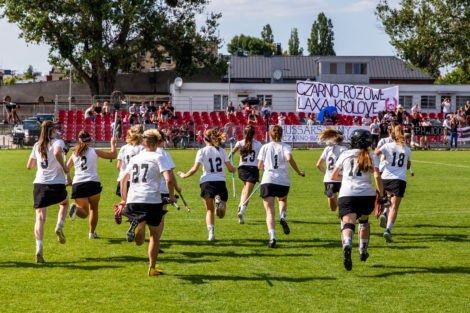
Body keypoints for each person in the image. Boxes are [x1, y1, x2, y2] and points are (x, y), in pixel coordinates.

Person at [119, 129, 176, 276]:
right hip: (152, 199)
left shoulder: (135, 158)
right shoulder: (159, 157)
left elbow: (124, 180)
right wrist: (172, 196)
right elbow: (169, 179)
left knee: (139, 240)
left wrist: (124, 200)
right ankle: (152, 267)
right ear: (157, 142)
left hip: (134, 199)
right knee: (154, 236)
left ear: (143, 142)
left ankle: (137, 225)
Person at [331, 129, 385, 271]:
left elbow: (334, 176)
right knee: (364, 221)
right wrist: (382, 194)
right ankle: (363, 250)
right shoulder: (371, 155)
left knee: (348, 224)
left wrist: (349, 179)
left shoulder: (345, 154)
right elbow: (377, 176)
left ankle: (347, 244)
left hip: (347, 193)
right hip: (366, 194)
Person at [177, 129, 236, 241]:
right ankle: (218, 204)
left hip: (206, 182)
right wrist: (234, 169)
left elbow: (195, 169)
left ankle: (211, 234)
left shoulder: (202, 151)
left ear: (204, 139)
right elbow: (229, 169)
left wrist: (185, 175)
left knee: (209, 210)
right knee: (221, 214)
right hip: (220, 182)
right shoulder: (222, 151)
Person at [27, 121, 70, 263]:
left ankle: (39, 248)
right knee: (64, 203)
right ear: (53, 131)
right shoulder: (58, 141)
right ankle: (59, 225)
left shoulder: (37, 145)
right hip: (56, 183)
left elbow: (29, 166)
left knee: (40, 218)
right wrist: (64, 167)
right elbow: (57, 152)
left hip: (39, 183)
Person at [257, 126, 305, 248]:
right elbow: (289, 158)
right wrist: (298, 172)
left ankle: (272, 238)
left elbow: (259, 166)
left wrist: (267, 169)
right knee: (282, 200)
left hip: (268, 180)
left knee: (269, 212)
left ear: (270, 134)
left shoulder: (265, 147)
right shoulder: (285, 146)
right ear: (282, 134)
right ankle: (282, 217)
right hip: (283, 181)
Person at [67, 130, 117, 238]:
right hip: (92, 182)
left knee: (84, 212)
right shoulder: (94, 151)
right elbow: (113, 155)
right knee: (93, 209)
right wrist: (113, 144)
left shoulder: (74, 154)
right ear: (90, 140)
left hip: (78, 184)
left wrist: (68, 180)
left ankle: (75, 209)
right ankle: (91, 233)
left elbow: (66, 168)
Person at [375, 126, 411, 243]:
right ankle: (388, 230)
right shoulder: (407, 149)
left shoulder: (386, 146)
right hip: (399, 179)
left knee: (389, 200)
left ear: (392, 134)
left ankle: (384, 214)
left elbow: (375, 154)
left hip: (385, 178)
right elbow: (408, 166)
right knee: (394, 207)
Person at [231, 125, 263, 224]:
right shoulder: (258, 144)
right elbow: (262, 158)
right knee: (248, 193)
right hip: (252, 169)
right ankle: (242, 211)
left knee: (245, 189)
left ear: (245, 133)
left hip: (242, 169)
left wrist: (228, 161)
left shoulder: (240, 142)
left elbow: (231, 154)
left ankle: (241, 205)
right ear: (254, 133)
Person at [114, 125, 145, 223]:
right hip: (136, 181)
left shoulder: (124, 148)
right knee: (138, 208)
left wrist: (125, 173)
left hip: (123, 180)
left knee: (130, 205)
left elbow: (118, 166)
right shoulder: (142, 148)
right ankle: (123, 211)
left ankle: (123, 211)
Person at [316, 129, 347, 212]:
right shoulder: (344, 150)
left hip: (328, 179)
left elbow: (318, 165)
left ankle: (331, 196)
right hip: (341, 178)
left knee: (333, 209)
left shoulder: (327, 149)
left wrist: (327, 173)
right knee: (343, 203)